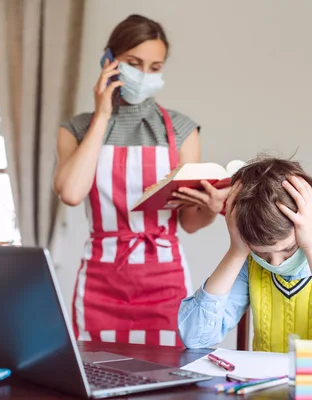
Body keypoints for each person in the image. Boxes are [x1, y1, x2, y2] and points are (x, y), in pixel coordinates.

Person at [54, 15, 229, 346]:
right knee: (96, 372)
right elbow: (72, 193)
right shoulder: (75, 129)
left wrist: (211, 206)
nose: (145, 75)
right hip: (100, 279)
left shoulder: (181, 130)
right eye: (134, 63)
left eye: (154, 67)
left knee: (166, 379)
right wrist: (102, 115)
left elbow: (190, 222)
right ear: (109, 61)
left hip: (163, 279)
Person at [178, 157, 312, 353]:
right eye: (262, 254)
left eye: (288, 249)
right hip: (263, 384)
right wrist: (236, 252)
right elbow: (195, 338)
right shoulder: (247, 256)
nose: (275, 263)